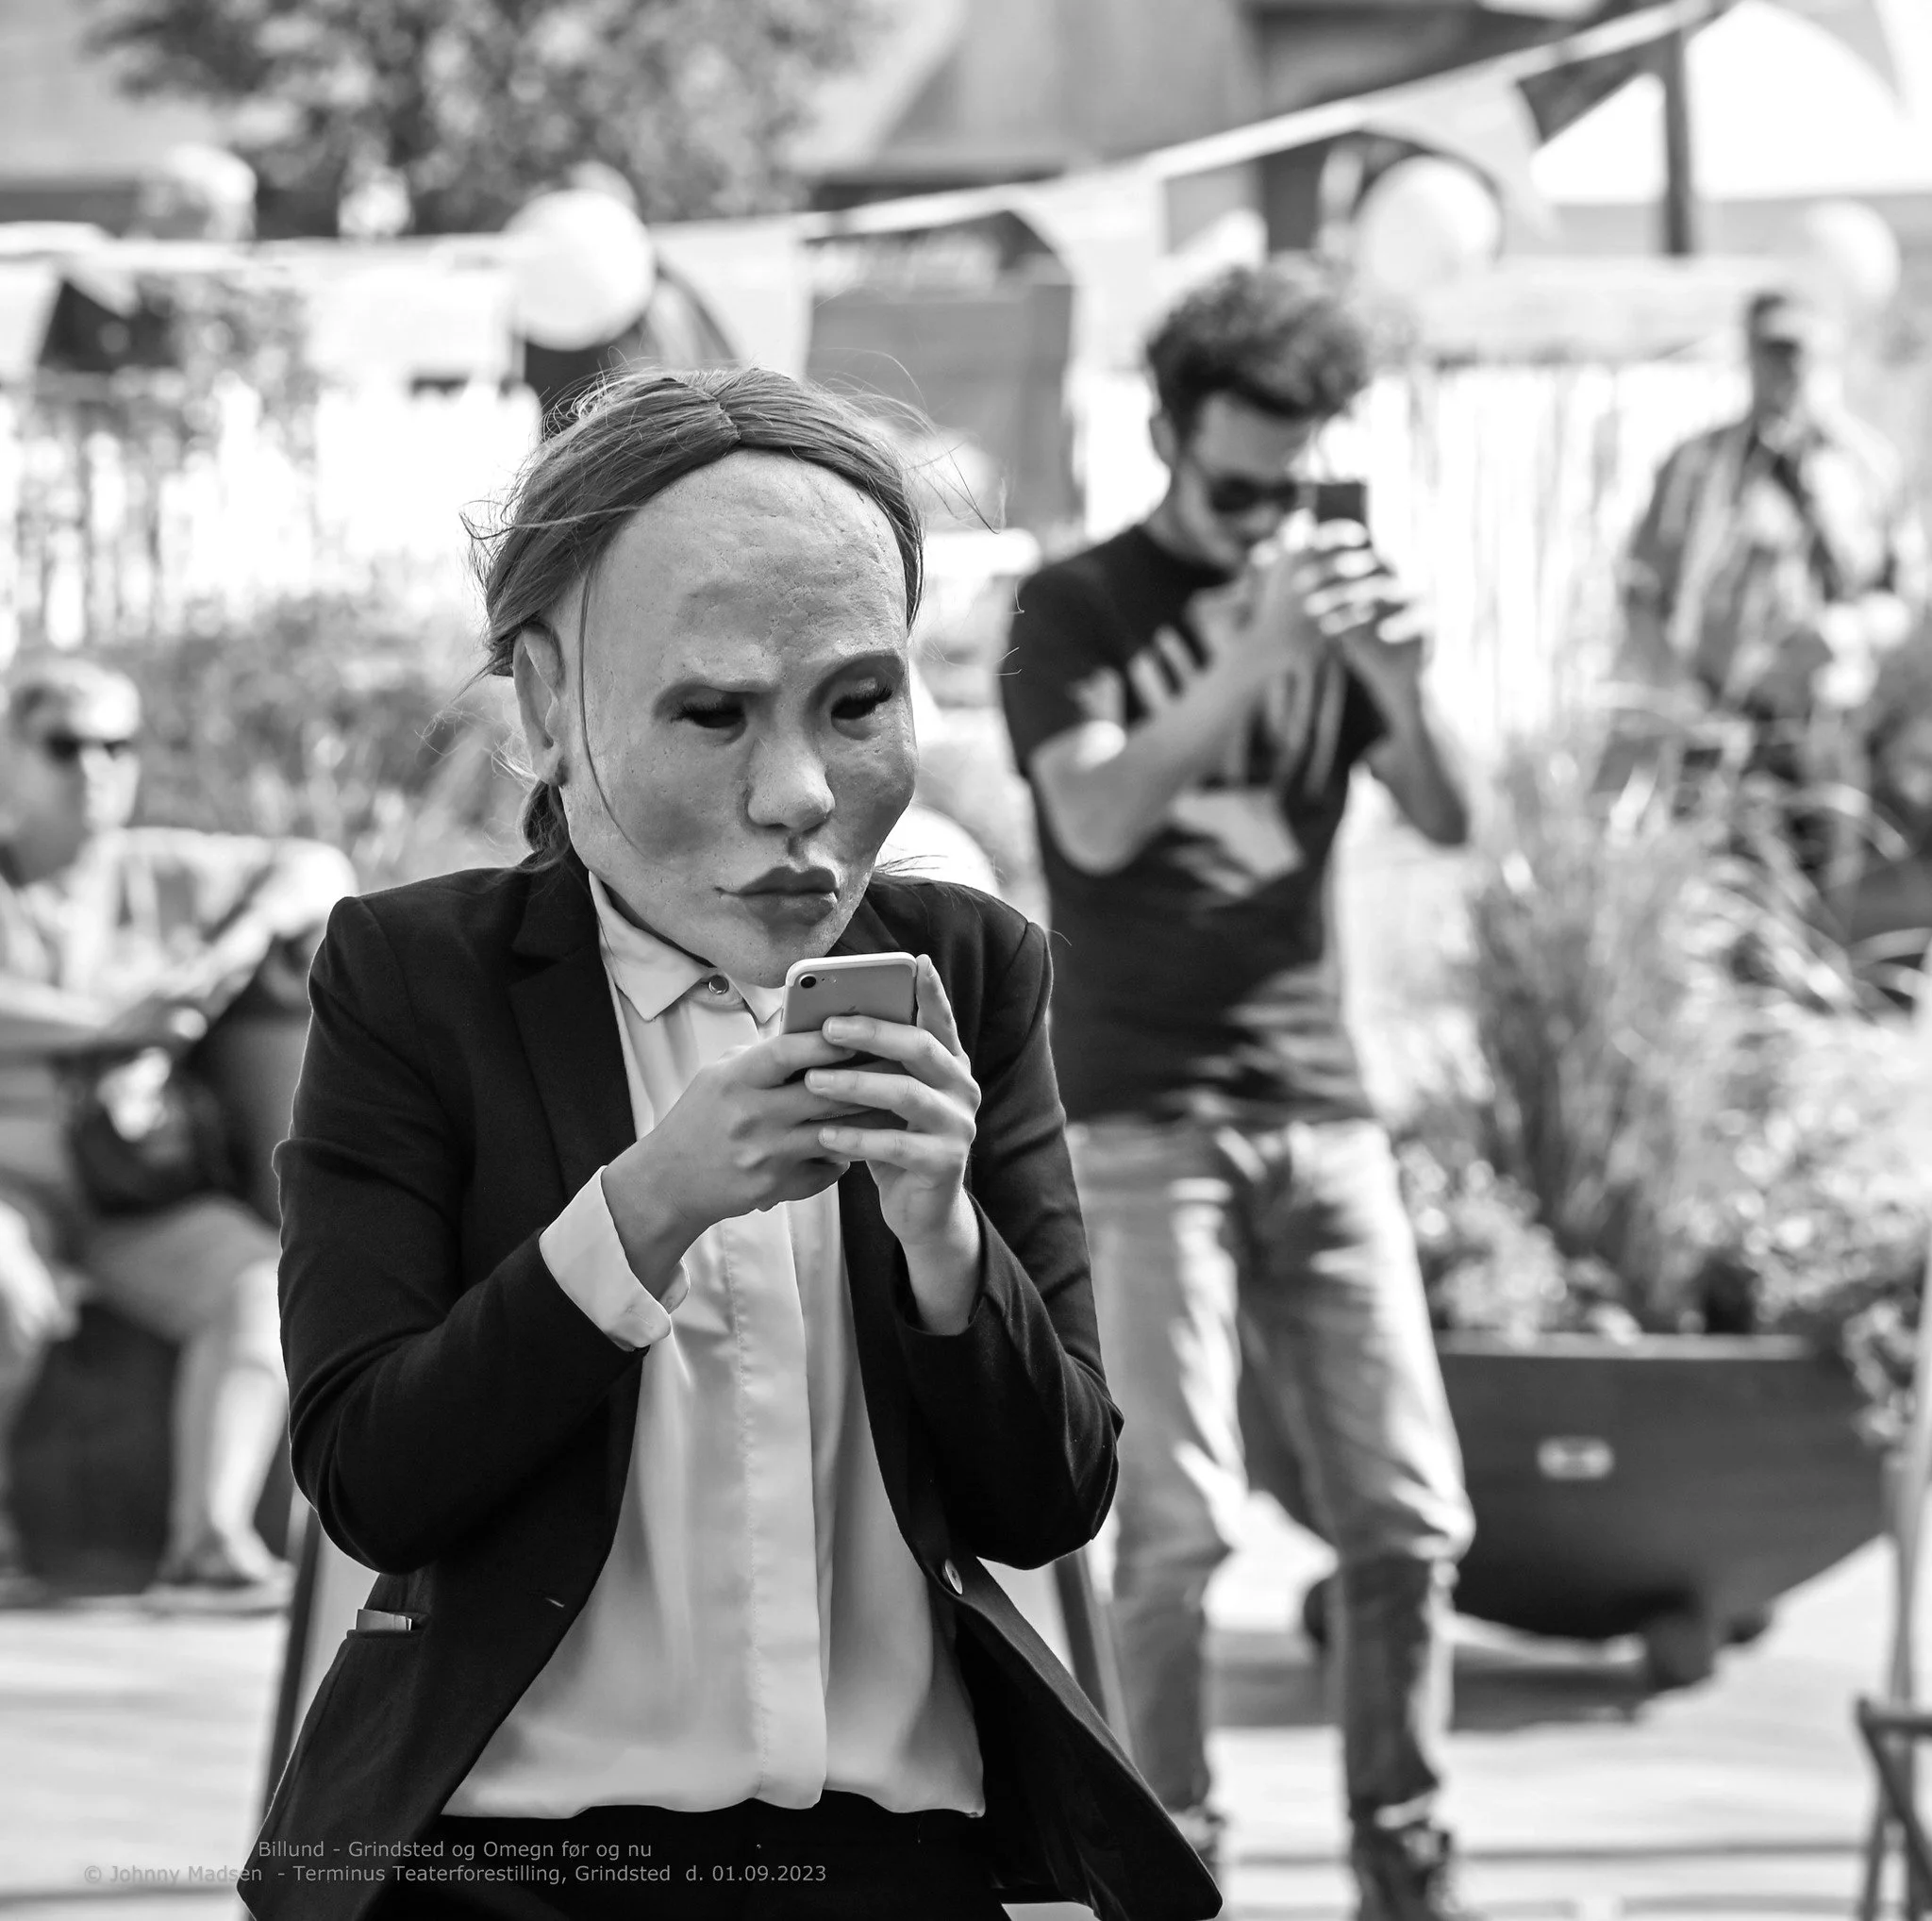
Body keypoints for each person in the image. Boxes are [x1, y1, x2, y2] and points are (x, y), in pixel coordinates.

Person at [242, 369, 1219, 1921]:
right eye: (710, 711)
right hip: (518, 1865)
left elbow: (1049, 1498)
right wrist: (641, 1208)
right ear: (551, 705)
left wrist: (944, 1245)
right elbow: (370, 1475)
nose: (799, 797)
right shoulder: (413, 982)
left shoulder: (973, 970)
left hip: (896, 1863)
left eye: (858, 703)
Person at [1000, 262, 1480, 1921]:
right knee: (1178, 1537)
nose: (1267, 514)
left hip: (1319, 1105)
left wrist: (1400, 677)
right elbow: (1101, 821)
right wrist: (1250, 647)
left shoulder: (1326, 609)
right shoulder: (1072, 610)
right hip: (1140, 1121)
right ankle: (1172, 1867)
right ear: (1163, 437)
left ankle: (1404, 1867)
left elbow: (1445, 814)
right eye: (1237, 484)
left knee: (1410, 1516)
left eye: (1293, 482)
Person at [0, 656, 355, 1606]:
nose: (96, 767)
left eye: (117, 744)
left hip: (133, 1196)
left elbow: (319, 866)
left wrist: (235, 946)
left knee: (260, 1287)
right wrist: (114, 1022)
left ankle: (208, 1541)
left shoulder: (161, 865)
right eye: (67, 744)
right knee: (5, 1290)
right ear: (11, 753)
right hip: (13, 1193)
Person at [1621, 287, 1929, 906]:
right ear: (1749, 354)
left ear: (1830, 356)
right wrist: (1676, 694)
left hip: (1837, 731)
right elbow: (1641, 590)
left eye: (1803, 351)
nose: (1790, 367)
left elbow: (1907, 596)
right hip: (1722, 724)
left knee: (1833, 910)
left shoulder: (1865, 464)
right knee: (1725, 908)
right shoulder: (1697, 466)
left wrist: (1849, 630)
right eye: (1775, 350)